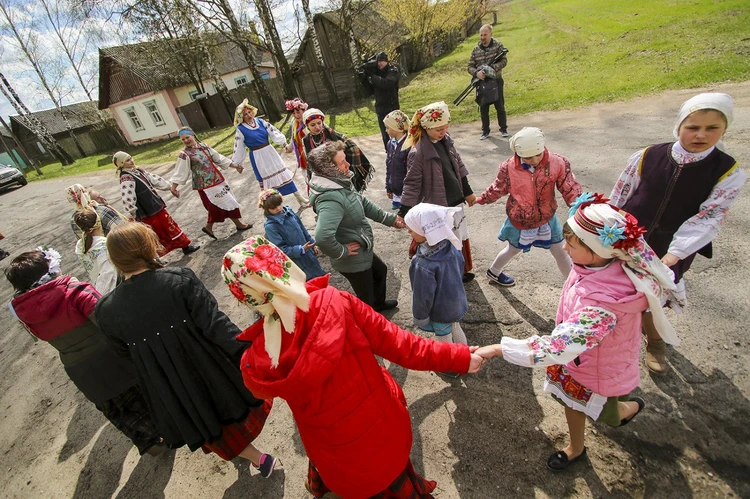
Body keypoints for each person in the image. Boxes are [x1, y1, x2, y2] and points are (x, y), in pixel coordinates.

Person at [220, 236, 485, 498]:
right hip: (382, 432)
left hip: (328, 449)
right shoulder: (337, 302)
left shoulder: (255, 359)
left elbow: (257, 391)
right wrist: (459, 358)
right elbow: (404, 346)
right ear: (283, 265)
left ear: (246, 296)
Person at [474, 196, 681, 471]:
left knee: (606, 412)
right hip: (579, 362)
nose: (564, 248)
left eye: (570, 244)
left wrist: (500, 349)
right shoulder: (599, 264)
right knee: (570, 402)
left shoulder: (603, 304)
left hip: (595, 369)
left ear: (596, 249)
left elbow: (559, 346)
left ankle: (627, 410)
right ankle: (576, 447)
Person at [94, 223, 277, 477]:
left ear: (115, 260)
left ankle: (253, 456)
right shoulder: (178, 280)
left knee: (202, 419)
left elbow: (125, 353)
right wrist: (249, 354)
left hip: (166, 382)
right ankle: (256, 457)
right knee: (225, 406)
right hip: (207, 363)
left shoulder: (105, 311)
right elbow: (215, 325)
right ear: (150, 247)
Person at [610, 92, 746, 374]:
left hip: (671, 246)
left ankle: (655, 341)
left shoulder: (727, 172)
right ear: (680, 125)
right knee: (617, 288)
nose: (701, 135)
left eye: (712, 128)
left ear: (724, 129)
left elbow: (709, 217)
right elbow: (621, 192)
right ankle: (615, 334)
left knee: (650, 297)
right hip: (630, 238)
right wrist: (609, 223)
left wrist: (674, 255)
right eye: (693, 127)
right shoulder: (648, 155)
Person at [6, 248, 163, 456]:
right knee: (143, 395)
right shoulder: (74, 291)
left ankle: (147, 441)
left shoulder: (23, 311)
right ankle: (167, 428)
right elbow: (108, 320)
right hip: (113, 358)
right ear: (50, 270)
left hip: (78, 369)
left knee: (117, 408)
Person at [475, 127, 582, 286]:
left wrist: (580, 206)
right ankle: (494, 271)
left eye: (538, 154)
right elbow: (499, 187)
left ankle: (573, 285)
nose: (535, 160)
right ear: (518, 153)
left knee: (560, 251)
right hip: (521, 218)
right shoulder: (509, 167)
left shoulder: (557, 163)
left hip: (547, 217)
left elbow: (569, 187)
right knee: (513, 249)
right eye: (528, 157)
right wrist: (482, 198)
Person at [307, 141, 405, 311]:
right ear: (328, 169)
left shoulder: (340, 181)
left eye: (346, 159)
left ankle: (379, 306)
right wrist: (341, 251)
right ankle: (371, 327)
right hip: (352, 257)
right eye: (342, 162)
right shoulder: (330, 199)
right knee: (365, 299)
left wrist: (391, 219)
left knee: (380, 271)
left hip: (361, 246)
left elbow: (361, 202)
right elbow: (323, 237)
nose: (348, 164)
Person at [399, 101, 477, 282]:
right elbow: (411, 184)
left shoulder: (446, 141)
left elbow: (459, 166)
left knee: (459, 235)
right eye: (437, 129)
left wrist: (468, 191)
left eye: (445, 127)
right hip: (437, 204)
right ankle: (445, 273)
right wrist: (404, 210)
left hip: (455, 201)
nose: (442, 132)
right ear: (426, 127)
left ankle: (461, 270)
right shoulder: (418, 152)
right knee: (441, 239)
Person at [170, 127, 252, 240]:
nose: (185, 141)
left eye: (187, 137)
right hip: (205, 186)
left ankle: (233, 225)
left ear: (193, 135)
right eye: (183, 139)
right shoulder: (185, 154)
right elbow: (180, 171)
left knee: (228, 201)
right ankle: (216, 226)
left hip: (217, 180)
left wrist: (236, 166)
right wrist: (174, 187)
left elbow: (219, 159)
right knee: (216, 206)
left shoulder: (204, 147)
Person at [404, 203, 469, 346]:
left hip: (440, 310)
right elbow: (460, 267)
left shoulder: (423, 263)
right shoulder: (452, 244)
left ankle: (450, 365)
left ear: (425, 230)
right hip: (457, 302)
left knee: (444, 338)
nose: (409, 232)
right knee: (455, 327)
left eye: (411, 230)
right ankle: (466, 357)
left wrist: (420, 317)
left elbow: (422, 294)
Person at [114, 151, 199, 256]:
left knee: (169, 224)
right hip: (145, 210)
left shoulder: (137, 170)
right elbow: (128, 196)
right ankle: (157, 256)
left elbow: (154, 179)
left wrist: (169, 187)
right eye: (127, 160)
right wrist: (131, 212)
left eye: (131, 158)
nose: (131, 161)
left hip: (155, 205)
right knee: (154, 232)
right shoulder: (126, 177)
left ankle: (185, 246)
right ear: (121, 164)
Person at [231, 99, 309, 209]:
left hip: (270, 152)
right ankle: (272, 207)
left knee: (282, 174)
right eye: (245, 114)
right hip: (258, 157)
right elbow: (238, 147)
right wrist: (237, 164)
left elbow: (273, 132)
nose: (248, 115)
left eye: (249, 112)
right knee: (267, 182)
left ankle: (299, 197)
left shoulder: (260, 121)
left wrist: (283, 143)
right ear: (241, 117)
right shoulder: (241, 129)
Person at [301, 108, 374, 193]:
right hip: (324, 175)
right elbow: (310, 162)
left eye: (319, 123)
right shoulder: (306, 141)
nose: (317, 127)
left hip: (339, 171)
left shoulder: (331, 133)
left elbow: (351, 146)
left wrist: (347, 163)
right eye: (313, 125)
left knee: (347, 192)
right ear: (307, 126)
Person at [259, 188, 326, 281]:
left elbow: (302, 229)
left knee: (320, 275)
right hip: (297, 261)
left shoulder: (289, 211)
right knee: (310, 282)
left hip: (308, 253)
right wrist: (300, 249)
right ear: (266, 209)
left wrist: (312, 244)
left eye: (279, 204)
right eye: (273, 208)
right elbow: (281, 250)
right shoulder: (270, 227)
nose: (278, 208)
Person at [468, 24, 509, 140]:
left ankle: (504, 129)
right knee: (483, 107)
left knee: (500, 105)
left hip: (496, 80)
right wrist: (477, 73)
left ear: (490, 34)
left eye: (485, 35)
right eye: (481, 35)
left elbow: (504, 61)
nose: (482, 37)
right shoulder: (476, 50)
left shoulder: (498, 46)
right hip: (482, 82)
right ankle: (485, 131)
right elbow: (469, 66)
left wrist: (492, 69)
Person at [73, 209, 118, 294]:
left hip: (96, 284)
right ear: (99, 223)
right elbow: (107, 273)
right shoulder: (104, 244)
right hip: (112, 289)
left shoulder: (80, 245)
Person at [367, 52, 401, 150]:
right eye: (378, 61)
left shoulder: (392, 71)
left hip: (392, 108)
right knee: (385, 136)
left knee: (398, 132)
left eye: (382, 61)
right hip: (380, 109)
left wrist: (372, 76)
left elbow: (386, 84)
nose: (379, 63)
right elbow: (369, 92)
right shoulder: (376, 74)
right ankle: (389, 153)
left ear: (386, 61)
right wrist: (365, 79)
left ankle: (402, 151)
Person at [384, 109, 411, 210]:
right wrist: (389, 186)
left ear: (397, 128)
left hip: (408, 192)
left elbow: (411, 171)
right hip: (397, 190)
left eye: (387, 128)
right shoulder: (390, 144)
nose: (386, 130)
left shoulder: (409, 145)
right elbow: (389, 167)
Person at [283, 98, 310, 179]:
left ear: (304, 110)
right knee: (307, 179)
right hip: (302, 155)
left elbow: (312, 136)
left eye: (298, 112)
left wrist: (304, 123)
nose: (296, 115)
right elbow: (294, 137)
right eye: (293, 113)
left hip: (311, 152)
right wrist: (289, 148)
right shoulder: (294, 123)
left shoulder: (309, 121)